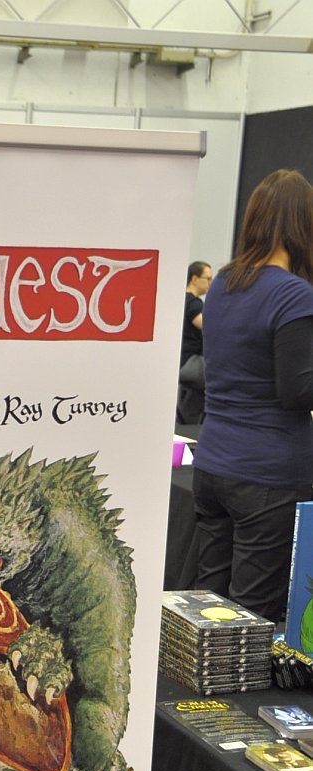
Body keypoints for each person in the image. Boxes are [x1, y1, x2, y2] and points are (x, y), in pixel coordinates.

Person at [192, 169, 313, 625]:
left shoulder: (224, 283)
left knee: (205, 609)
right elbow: (298, 391)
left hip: (213, 463)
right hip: (267, 474)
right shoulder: (293, 294)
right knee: (250, 617)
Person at [177, 259, 212, 427]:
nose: (210, 283)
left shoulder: (179, 300)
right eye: (208, 279)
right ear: (195, 279)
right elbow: (209, 328)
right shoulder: (193, 303)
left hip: (181, 361)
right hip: (190, 362)